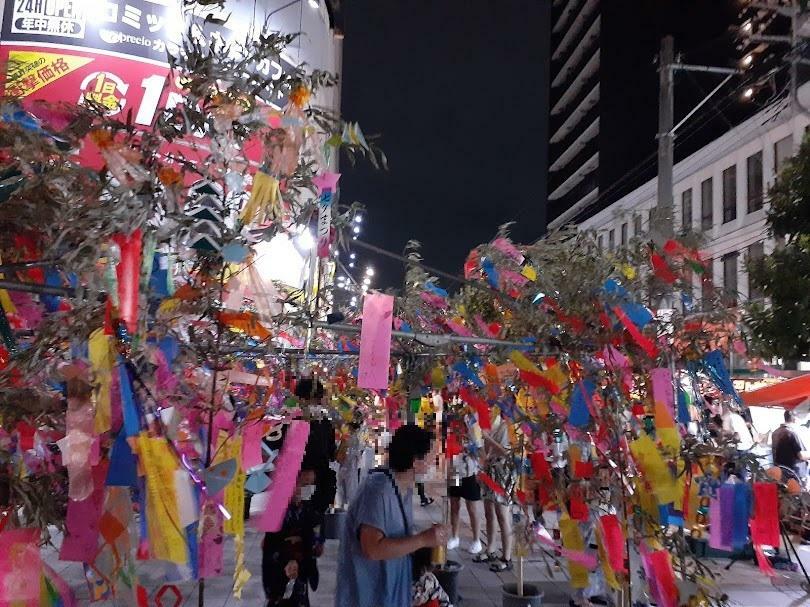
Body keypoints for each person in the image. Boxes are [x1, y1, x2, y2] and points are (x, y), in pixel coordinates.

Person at [335, 424, 449, 607]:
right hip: (368, 594)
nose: (433, 463)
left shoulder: (402, 488)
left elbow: (395, 537)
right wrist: (421, 540)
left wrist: (425, 547)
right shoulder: (379, 490)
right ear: (415, 461)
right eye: (430, 457)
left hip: (390, 590)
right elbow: (372, 549)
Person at [262, 466, 324, 607]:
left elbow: (314, 531)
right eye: (304, 484)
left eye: (310, 484)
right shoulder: (277, 510)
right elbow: (270, 544)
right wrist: (288, 556)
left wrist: (317, 542)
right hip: (281, 569)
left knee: (300, 597)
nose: (307, 489)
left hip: (301, 568)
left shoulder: (307, 507)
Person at [473, 408, 515, 572]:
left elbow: (506, 452)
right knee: (489, 511)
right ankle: (490, 548)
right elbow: (484, 450)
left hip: (503, 473)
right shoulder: (487, 424)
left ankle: (506, 556)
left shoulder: (507, 426)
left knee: (502, 515)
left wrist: (487, 437)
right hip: (490, 470)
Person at [446, 407, 483, 554]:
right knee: (454, 505)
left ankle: (477, 539)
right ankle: (454, 536)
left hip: (470, 471)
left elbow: (480, 449)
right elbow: (449, 448)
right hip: (455, 470)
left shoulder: (474, 428)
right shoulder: (453, 428)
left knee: (472, 507)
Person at [772, 410, 810, 483]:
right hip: (795, 473)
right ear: (794, 419)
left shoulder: (775, 432)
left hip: (782, 471)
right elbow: (801, 455)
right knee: (799, 493)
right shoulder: (791, 433)